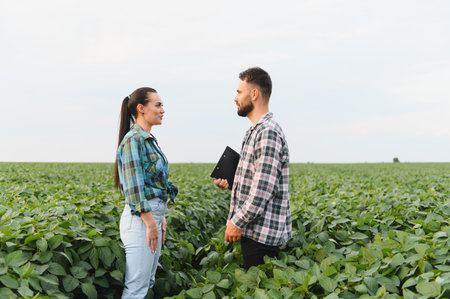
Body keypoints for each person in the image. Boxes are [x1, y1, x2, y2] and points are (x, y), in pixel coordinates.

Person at [214, 67, 292, 269]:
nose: (235, 98)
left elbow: (263, 189)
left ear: (254, 94)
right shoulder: (255, 131)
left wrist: (236, 222)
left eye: (239, 92)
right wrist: (232, 183)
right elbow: (258, 180)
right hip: (256, 231)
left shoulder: (267, 132)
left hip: (261, 235)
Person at [114, 87, 177, 298]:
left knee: (146, 282)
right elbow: (133, 188)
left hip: (152, 218)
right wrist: (151, 222)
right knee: (136, 289)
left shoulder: (149, 139)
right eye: (158, 105)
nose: (162, 110)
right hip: (140, 221)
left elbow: (155, 184)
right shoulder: (134, 140)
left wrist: (161, 219)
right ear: (141, 108)